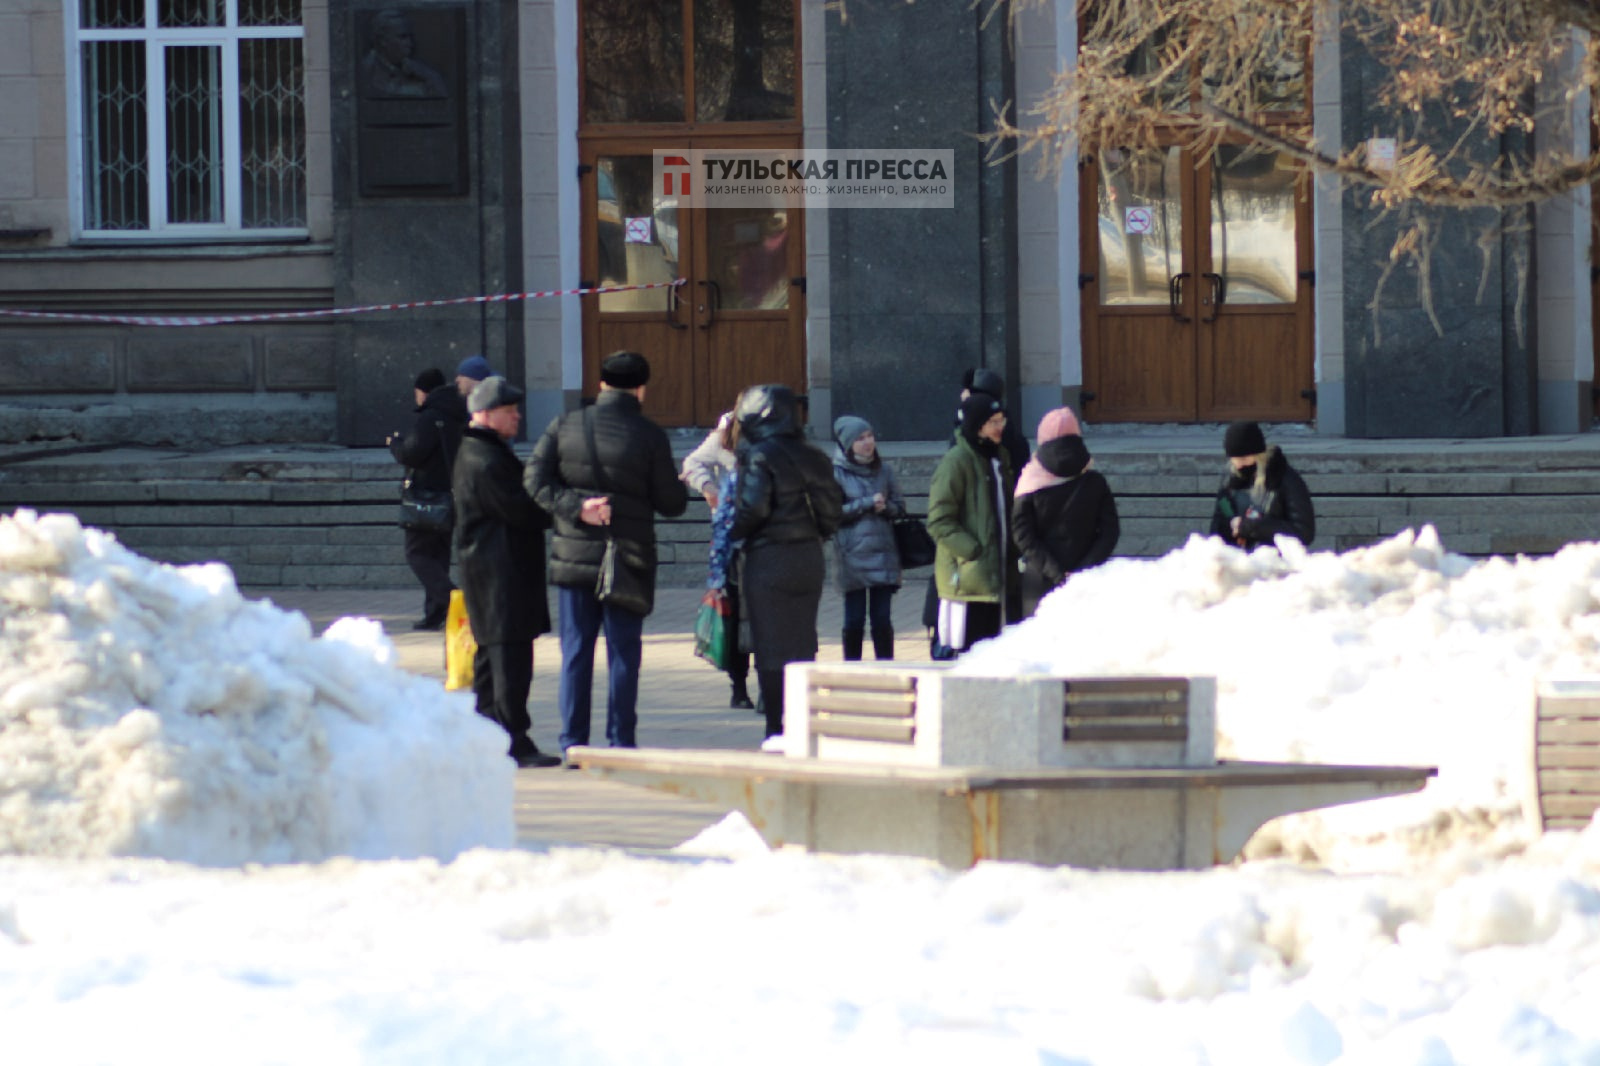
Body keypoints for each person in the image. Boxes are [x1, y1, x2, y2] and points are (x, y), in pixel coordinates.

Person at [524, 351, 688, 759]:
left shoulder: (564, 425)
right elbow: (671, 504)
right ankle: (621, 742)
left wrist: (576, 507)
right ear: (641, 389)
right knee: (623, 654)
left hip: (574, 559)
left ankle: (573, 742)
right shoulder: (649, 435)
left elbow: (533, 479)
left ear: (601, 385)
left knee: (576, 653)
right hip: (628, 560)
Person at [451, 376, 561, 769]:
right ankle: (514, 740)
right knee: (509, 660)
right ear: (485, 414)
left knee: (492, 658)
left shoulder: (485, 451)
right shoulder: (484, 459)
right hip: (500, 575)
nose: (517, 417)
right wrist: (556, 503)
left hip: (495, 572)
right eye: (509, 411)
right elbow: (522, 509)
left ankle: (487, 733)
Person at [729, 384, 843, 740]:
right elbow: (832, 512)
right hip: (808, 557)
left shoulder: (759, 455)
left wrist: (734, 533)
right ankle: (802, 721)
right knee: (802, 640)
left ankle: (776, 727)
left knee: (771, 645)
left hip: (769, 558)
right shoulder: (815, 456)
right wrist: (814, 533)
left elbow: (753, 508)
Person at [926, 392, 1016, 656]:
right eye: (993, 422)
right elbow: (939, 520)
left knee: (993, 655)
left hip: (997, 575)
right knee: (969, 655)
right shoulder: (956, 461)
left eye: (1001, 421)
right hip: (968, 580)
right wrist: (973, 551)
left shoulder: (999, 457)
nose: (999, 427)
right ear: (977, 426)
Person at [1011, 407, 1120, 619]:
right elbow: (1110, 531)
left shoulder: (1030, 484)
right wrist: (1083, 570)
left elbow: (1023, 535)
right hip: (1089, 582)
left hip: (1040, 581)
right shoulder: (1095, 482)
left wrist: (1055, 572)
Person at [681, 410, 754, 709]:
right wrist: (709, 489)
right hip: (731, 542)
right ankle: (739, 688)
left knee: (766, 617)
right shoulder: (725, 434)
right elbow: (692, 463)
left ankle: (769, 688)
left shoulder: (773, 438)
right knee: (734, 613)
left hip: (765, 539)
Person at [386, 366, 466, 630]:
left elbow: (411, 454)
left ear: (424, 391)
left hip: (426, 497)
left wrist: (395, 444)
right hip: (449, 496)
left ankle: (453, 599)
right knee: (438, 556)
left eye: (417, 393)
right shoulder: (457, 413)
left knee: (417, 553)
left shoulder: (431, 417)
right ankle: (434, 614)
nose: (416, 398)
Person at [830, 414, 904, 660]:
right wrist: (866, 503)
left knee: (882, 619)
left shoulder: (884, 470)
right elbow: (832, 513)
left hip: (883, 554)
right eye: (860, 438)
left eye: (870, 436)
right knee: (854, 619)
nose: (867, 442)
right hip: (852, 556)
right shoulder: (836, 473)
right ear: (848, 444)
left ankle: (887, 668)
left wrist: (887, 508)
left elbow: (899, 507)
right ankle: (852, 668)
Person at [1208, 421, 1316, 551]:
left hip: (1273, 558)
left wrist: (1254, 527)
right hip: (1237, 557)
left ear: (1259, 455)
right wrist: (1230, 525)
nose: (1238, 465)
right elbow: (1218, 523)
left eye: (1244, 459)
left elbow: (1304, 532)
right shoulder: (1230, 480)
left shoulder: (1285, 479)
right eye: (1234, 459)